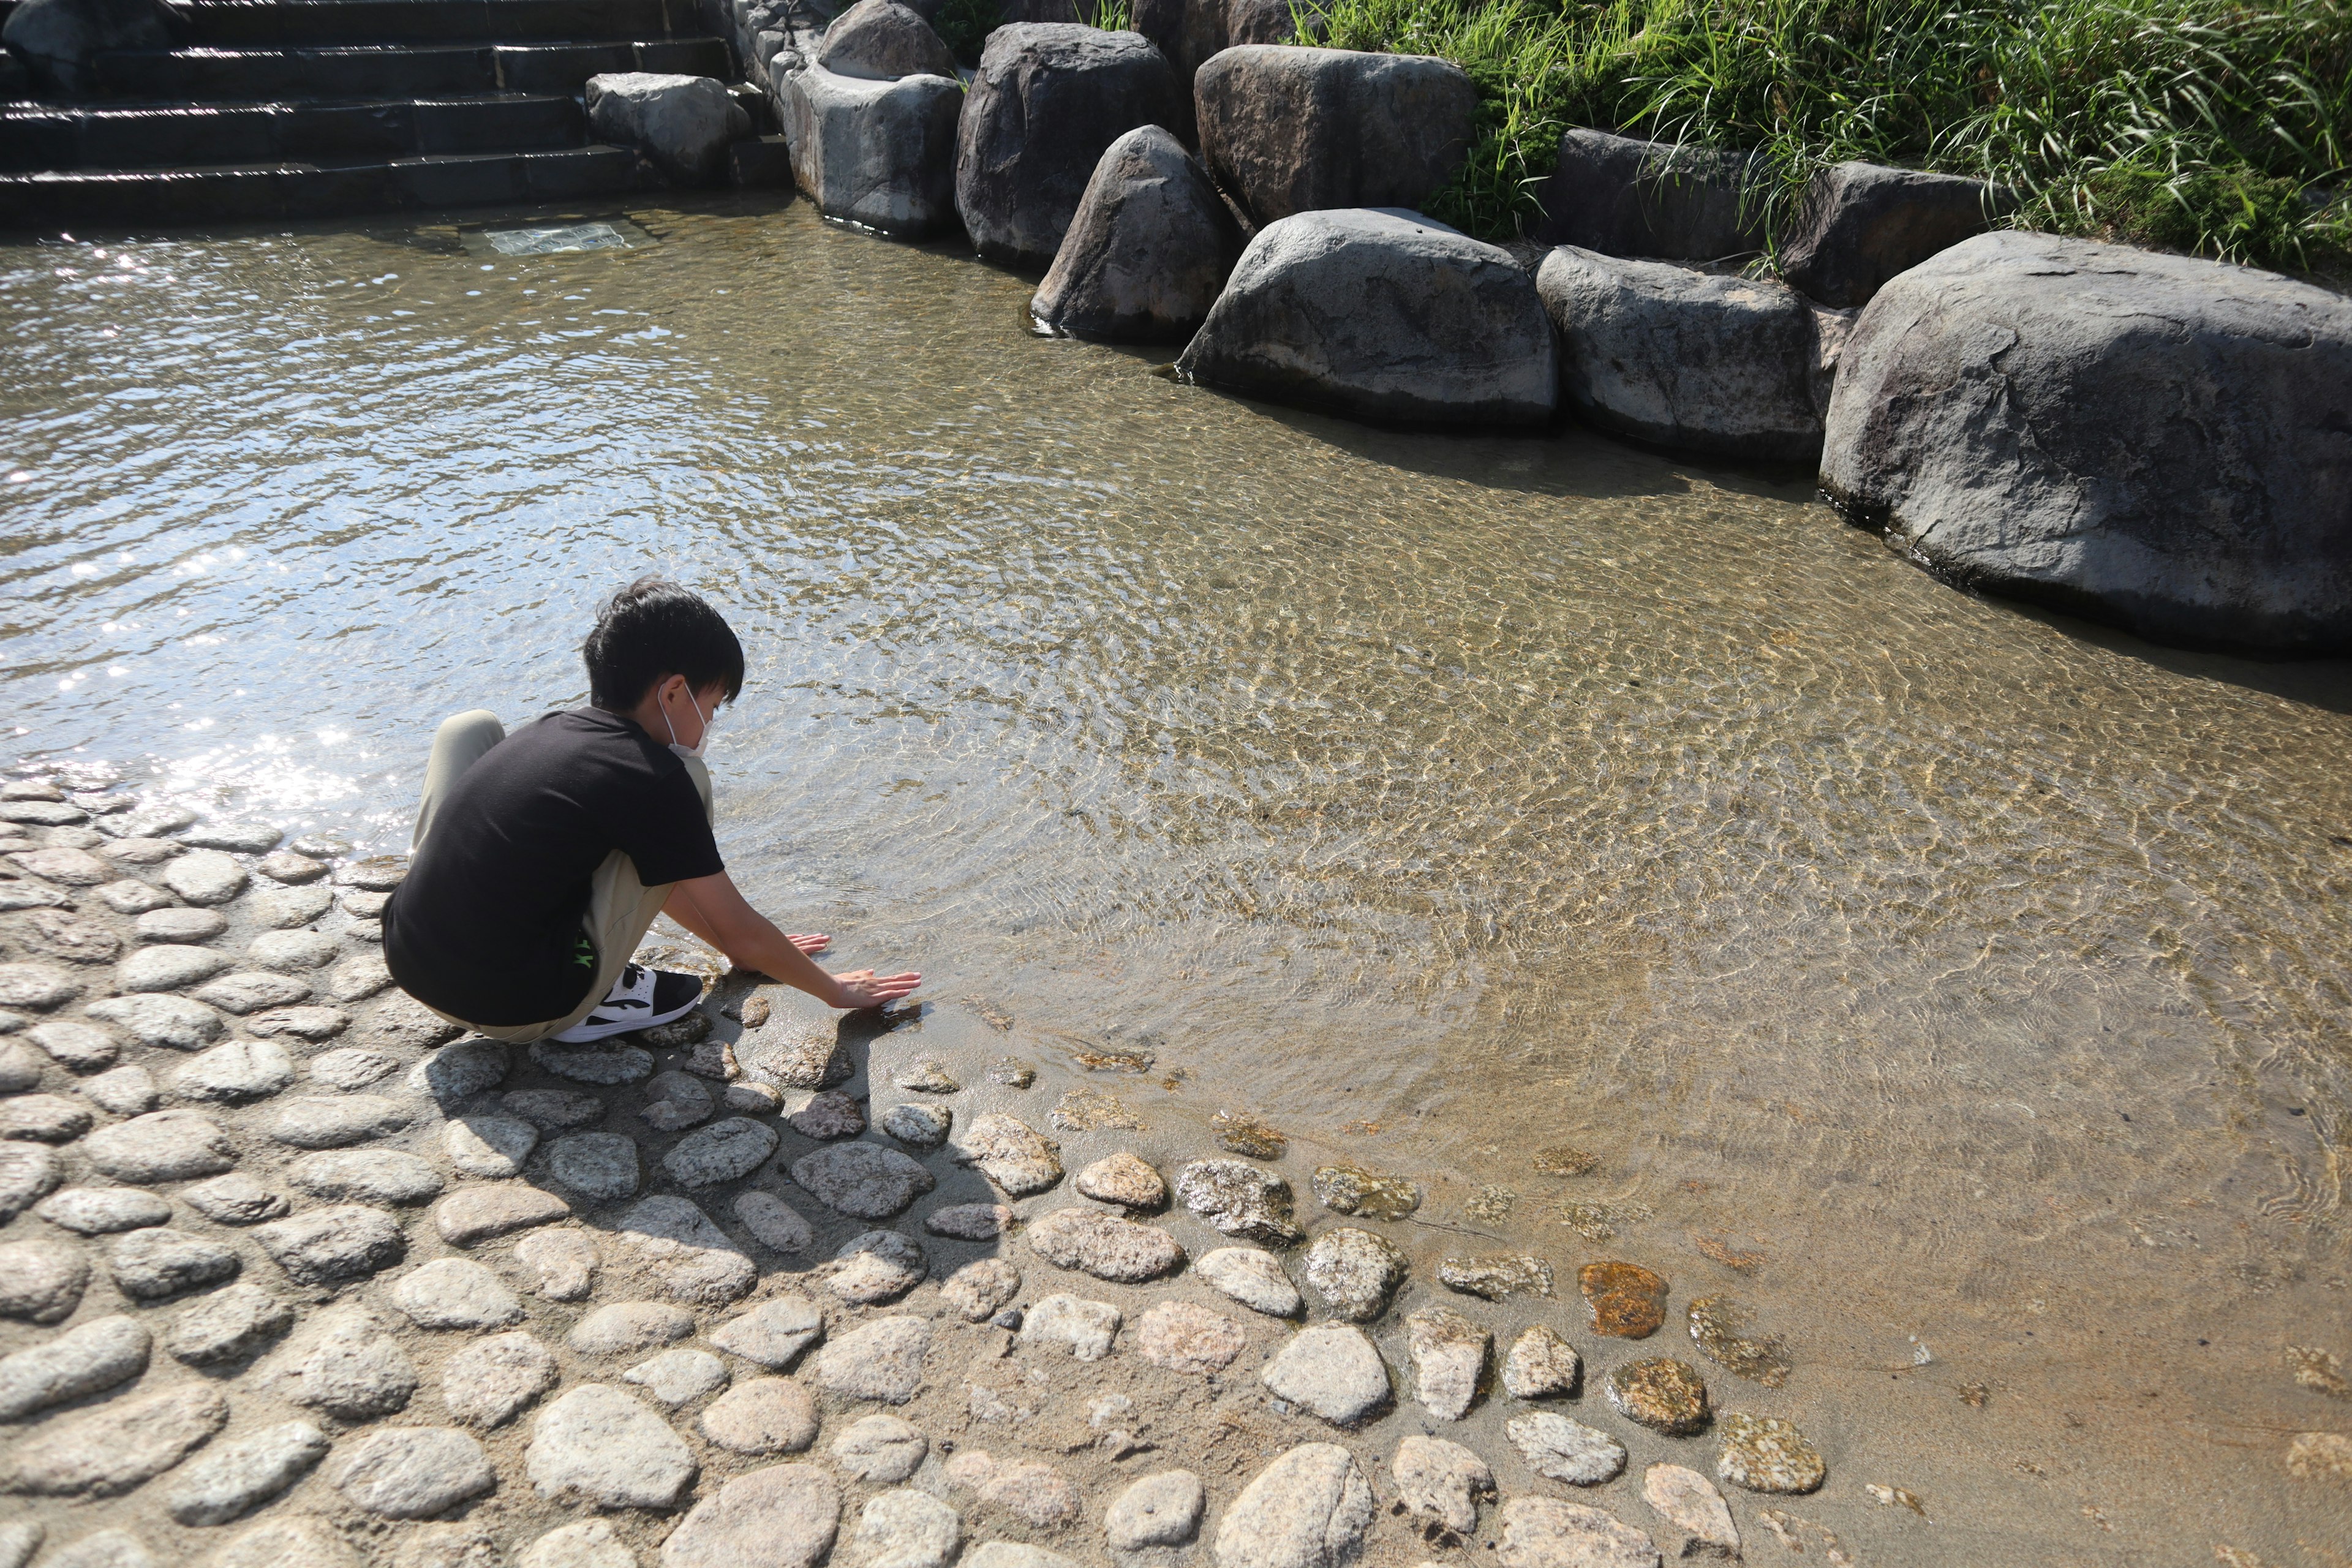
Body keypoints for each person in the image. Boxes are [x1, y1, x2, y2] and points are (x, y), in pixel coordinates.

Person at [382, 576, 920, 1043]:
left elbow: (658, 874)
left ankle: (443, 907)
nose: (711, 722)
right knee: (687, 784)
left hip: (410, 958)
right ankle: (593, 1005)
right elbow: (739, 931)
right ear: (674, 693)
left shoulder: (552, 730)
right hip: (517, 1008)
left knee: (470, 727)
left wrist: (756, 949)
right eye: (712, 706)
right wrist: (835, 990)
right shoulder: (655, 776)